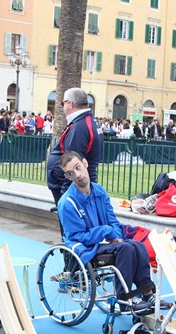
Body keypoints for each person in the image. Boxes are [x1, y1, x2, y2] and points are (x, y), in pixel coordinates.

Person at [57, 151, 153, 306]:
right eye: (71, 173)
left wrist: (114, 233)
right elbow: (77, 236)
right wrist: (106, 231)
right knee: (125, 249)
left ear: (85, 163)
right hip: (88, 246)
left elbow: (112, 219)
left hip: (107, 242)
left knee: (138, 245)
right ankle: (124, 298)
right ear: (68, 177)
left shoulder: (99, 191)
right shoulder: (67, 203)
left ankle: (147, 293)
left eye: (78, 167)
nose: (78, 174)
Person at [46, 87, 102, 205]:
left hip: (70, 189)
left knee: (69, 221)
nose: (62, 106)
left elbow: (73, 164)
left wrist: (65, 195)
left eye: (63, 103)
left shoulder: (80, 126)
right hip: (72, 186)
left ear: (70, 104)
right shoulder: (85, 122)